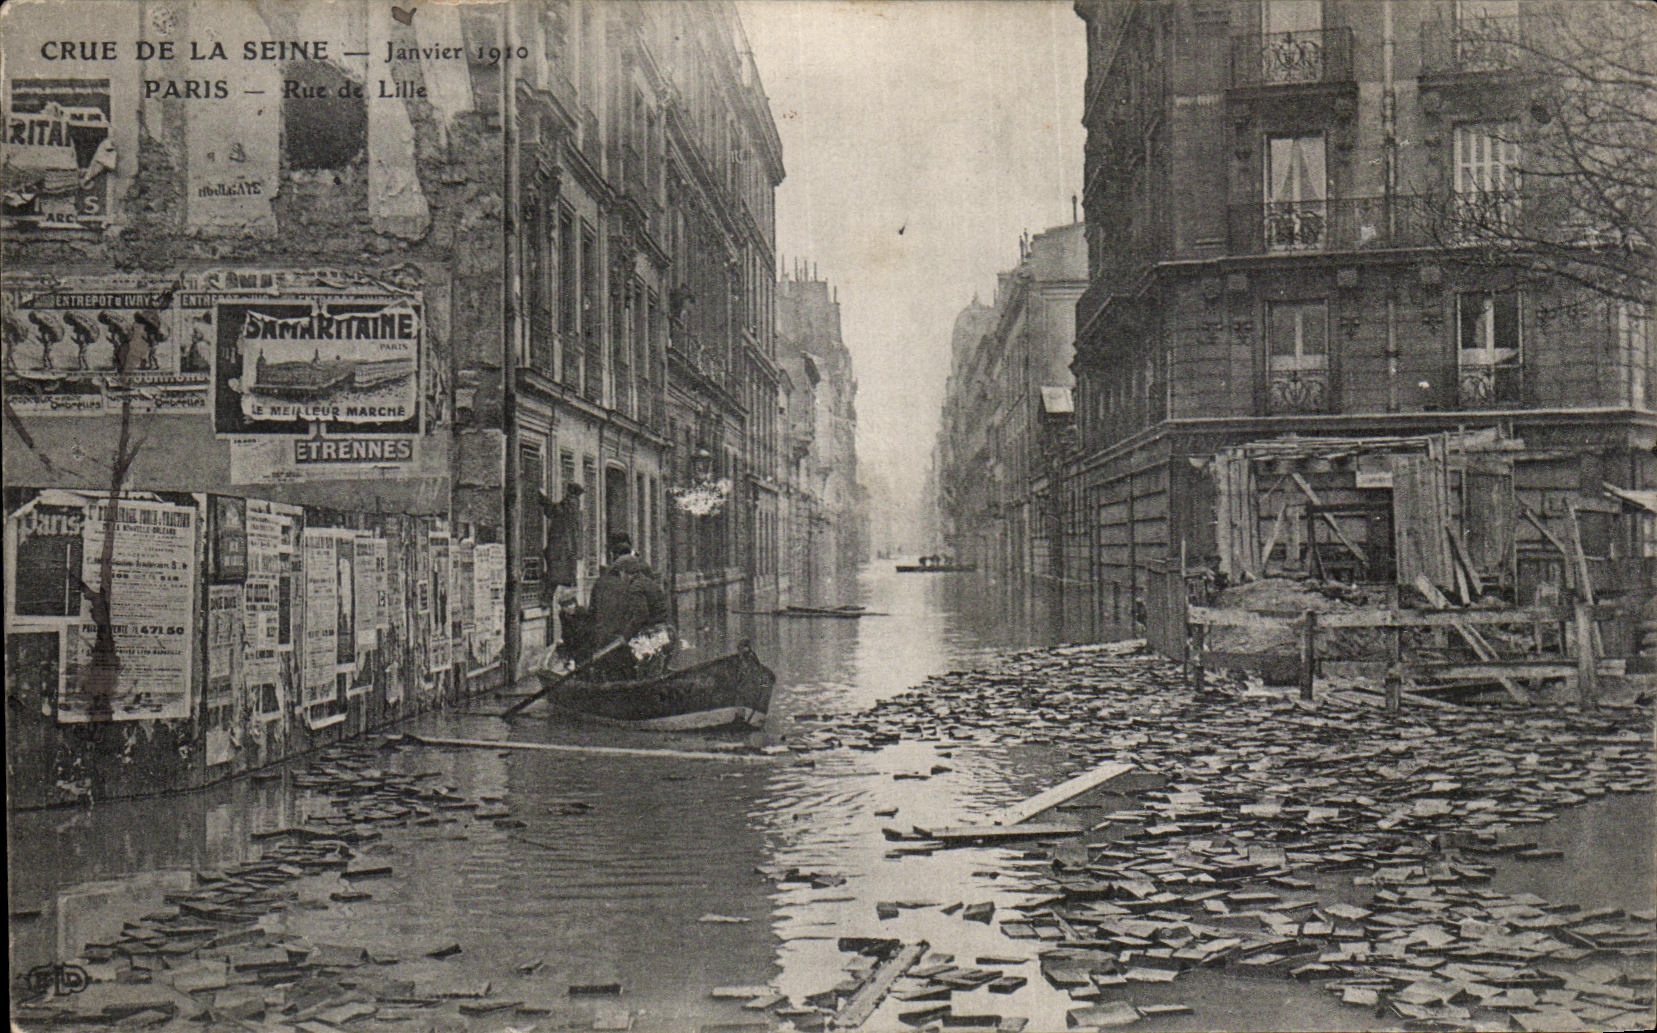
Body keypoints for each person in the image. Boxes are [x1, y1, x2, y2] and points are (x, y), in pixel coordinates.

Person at [579, 530, 673, 680]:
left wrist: (626, 636)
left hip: (647, 635)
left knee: (644, 672)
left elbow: (640, 615)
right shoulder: (646, 578)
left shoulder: (633, 586)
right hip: (660, 633)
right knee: (649, 671)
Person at [535, 482, 584, 666]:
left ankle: (546, 600)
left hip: (561, 551)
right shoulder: (574, 506)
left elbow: (552, 510)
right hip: (566, 552)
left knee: (554, 578)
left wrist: (540, 496)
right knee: (561, 582)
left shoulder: (568, 506)